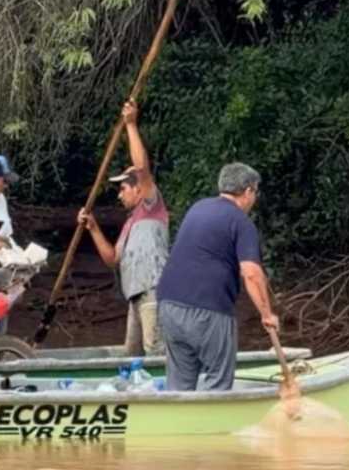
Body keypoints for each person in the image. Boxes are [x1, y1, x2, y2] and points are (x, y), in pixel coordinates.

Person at [156, 162, 278, 391]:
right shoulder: (242, 222)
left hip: (168, 305)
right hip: (208, 309)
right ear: (249, 190)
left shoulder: (198, 208)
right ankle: (214, 424)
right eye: (256, 192)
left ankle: (182, 424)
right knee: (218, 382)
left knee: (180, 386)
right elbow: (251, 273)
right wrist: (267, 314)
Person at [78, 100, 169, 357]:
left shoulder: (152, 205)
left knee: (156, 350)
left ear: (139, 189)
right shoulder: (131, 223)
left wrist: (130, 124)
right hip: (135, 295)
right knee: (133, 354)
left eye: (123, 189)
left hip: (153, 288)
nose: (119, 195)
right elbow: (112, 259)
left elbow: (141, 168)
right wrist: (93, 228)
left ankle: (170, 394)